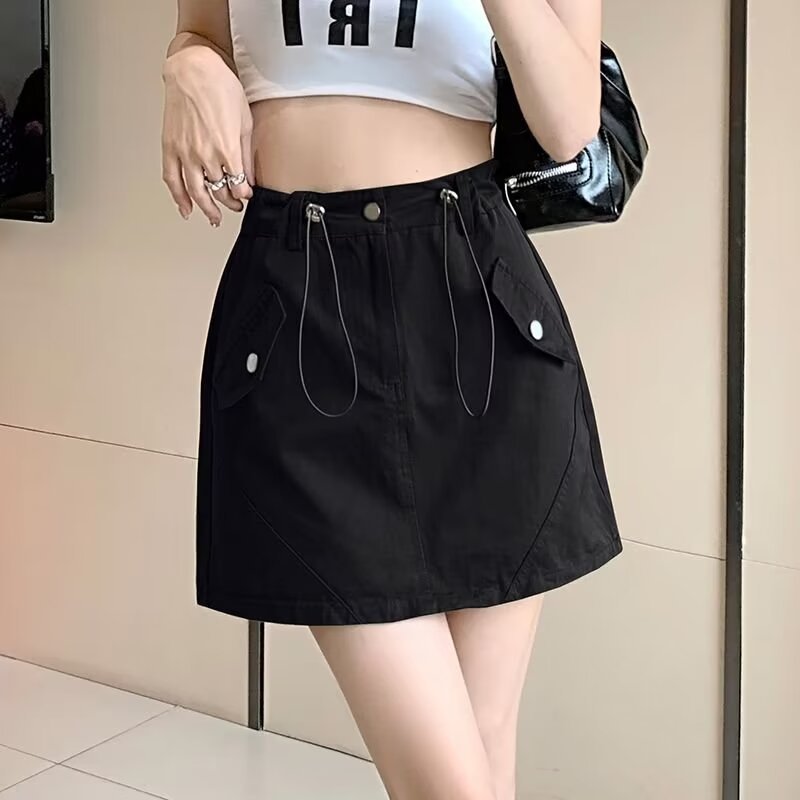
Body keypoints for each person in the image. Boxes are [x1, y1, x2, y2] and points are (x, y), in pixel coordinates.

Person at [161, 2, 621, 798]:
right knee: (453, 785)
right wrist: (187, 65)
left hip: (480, 318)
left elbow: (568, 126)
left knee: (480, 756)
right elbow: (200, 31)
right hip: (300, 313)